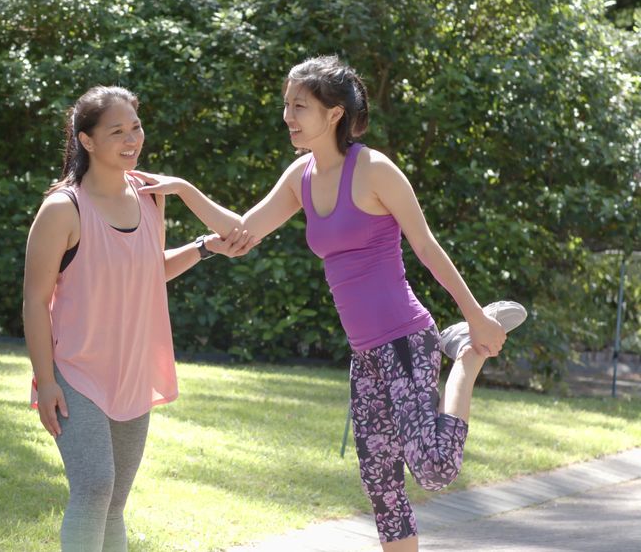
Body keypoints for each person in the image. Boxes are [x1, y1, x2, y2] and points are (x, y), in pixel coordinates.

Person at [128, 56, 527, 551]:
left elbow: (426, 247)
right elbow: (242, 233)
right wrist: (185, 190)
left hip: (405, 337)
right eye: (286, 106)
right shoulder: (302, 176)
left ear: (334, 113)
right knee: (381, 486)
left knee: (434, 469)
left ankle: (464, 356)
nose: (288, 116)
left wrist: (477, 318)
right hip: (365, 354)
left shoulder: (375, 170)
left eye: (300, 106)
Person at [22, 85, 254, 551]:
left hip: (132, 371)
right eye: (117, 131)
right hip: (76, 373)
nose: (132, 139)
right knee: (93, 489)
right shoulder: (62, 209)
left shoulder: (150, 196)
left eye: (136, 127)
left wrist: (198, 231)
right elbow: (33, 299)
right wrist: (45, 380)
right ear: (87, 141)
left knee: (114, 504)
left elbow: (153, 269)